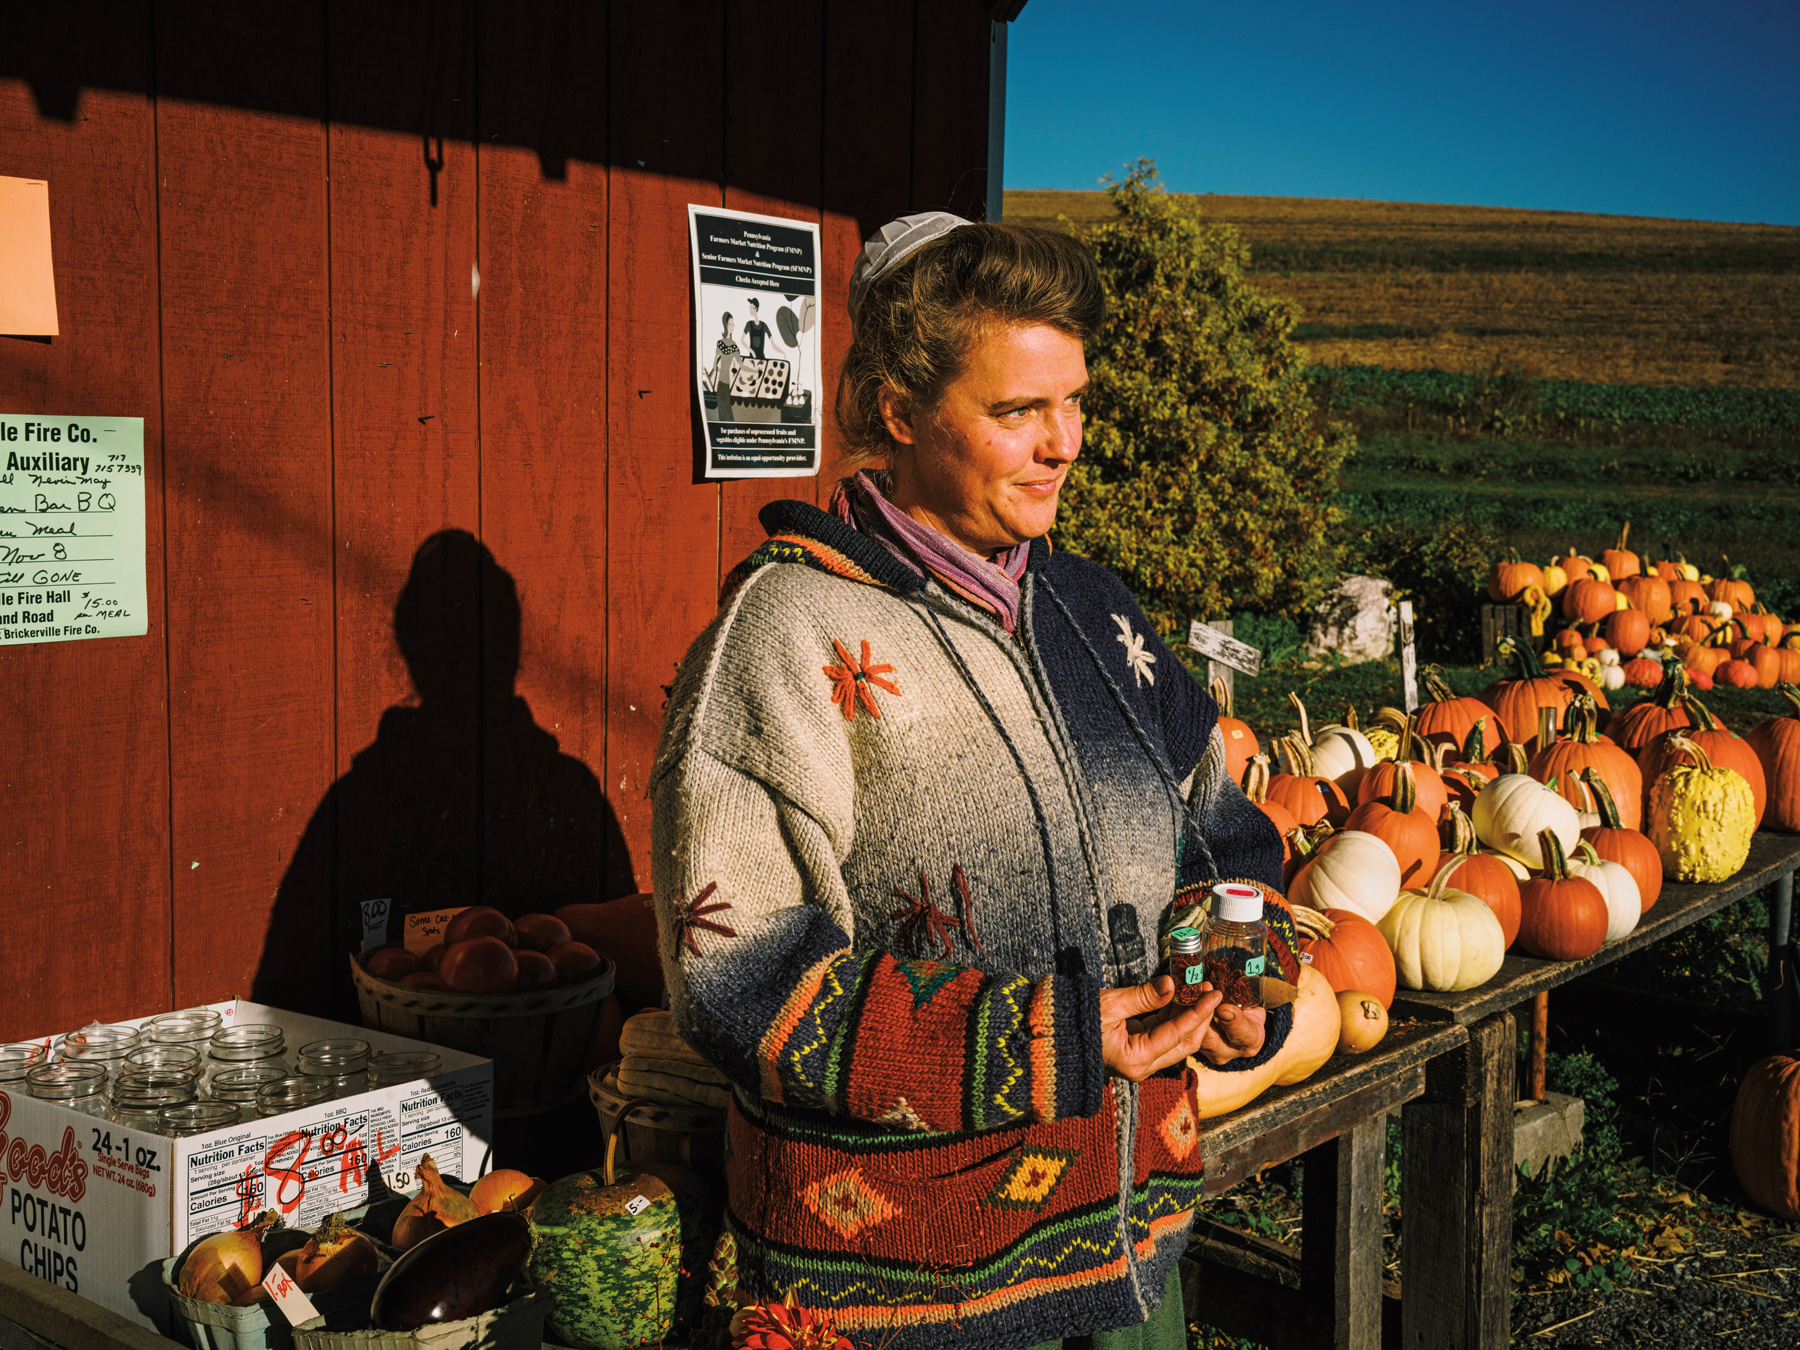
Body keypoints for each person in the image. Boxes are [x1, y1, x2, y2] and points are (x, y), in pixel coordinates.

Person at [652, 213, 1297, 1349]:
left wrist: (1236, 970)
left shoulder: (1096, 614)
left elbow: (1221, 833)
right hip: (912, 1297)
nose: (1066, 444)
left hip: (1134, 1246)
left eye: (1075, 400)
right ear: (899, 414)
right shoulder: (786, 635)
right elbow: (738, 980)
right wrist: (1048, 1039)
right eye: (1018, 411)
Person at [710, 311, 740, 420]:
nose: (733, 326)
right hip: (721, 384)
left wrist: (754, 371)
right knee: (724, 417)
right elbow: (714, 365)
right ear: (725, 325)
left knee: (728, 418)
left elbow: (740, 364)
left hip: (727, 385)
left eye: (733, 324)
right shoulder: (720, 343)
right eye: (730, 324)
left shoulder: (734, 345)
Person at [741, 296, 774, 360]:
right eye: (749, 307)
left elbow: (773, 344)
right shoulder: (749, 324)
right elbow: (742, 340)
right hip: (751, 359)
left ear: (756, 308)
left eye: (752, 308)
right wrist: (752, 351)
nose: (750, 309)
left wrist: (783, 353)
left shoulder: (764, 325)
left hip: (762, 359)